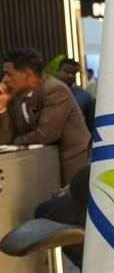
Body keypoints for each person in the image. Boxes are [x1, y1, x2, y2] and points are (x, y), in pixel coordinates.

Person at [0, 48, 91, 184]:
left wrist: (16, 141)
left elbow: (46, 134)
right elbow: (5, 140)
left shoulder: (54, 89)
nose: (4, 80)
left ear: (27, 74)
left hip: (69, 163)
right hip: (38, 163)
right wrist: (2, 107)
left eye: (9, 74)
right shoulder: (15, 96)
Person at [55, 58, 95, 129]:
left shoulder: (84, 96)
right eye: (67, 71)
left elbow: (91, 124)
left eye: (74, 73)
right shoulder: (46, 93)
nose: (71, 75)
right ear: (58, 71)